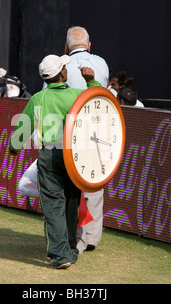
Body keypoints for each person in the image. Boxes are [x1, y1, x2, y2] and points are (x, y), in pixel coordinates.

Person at [9, 54, 101, 269]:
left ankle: (61, 255)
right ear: (62, 73)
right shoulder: (77, 95)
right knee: (71, 203)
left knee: (53, 206)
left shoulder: (38, 98)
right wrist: (91, 80)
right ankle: (68, 249)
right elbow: (101, 101)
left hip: (50, 156)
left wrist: (13, 147)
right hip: (76, 158)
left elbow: (22, 130)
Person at [63, 26, 109, 255]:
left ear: (66, 47)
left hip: (69, 133)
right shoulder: (102, 64)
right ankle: (91, 238)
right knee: (94, 184)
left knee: (70, 187)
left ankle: (74, 237)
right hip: (98, 130)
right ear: (89, 45)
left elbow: (45, 99)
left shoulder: (61, 65)